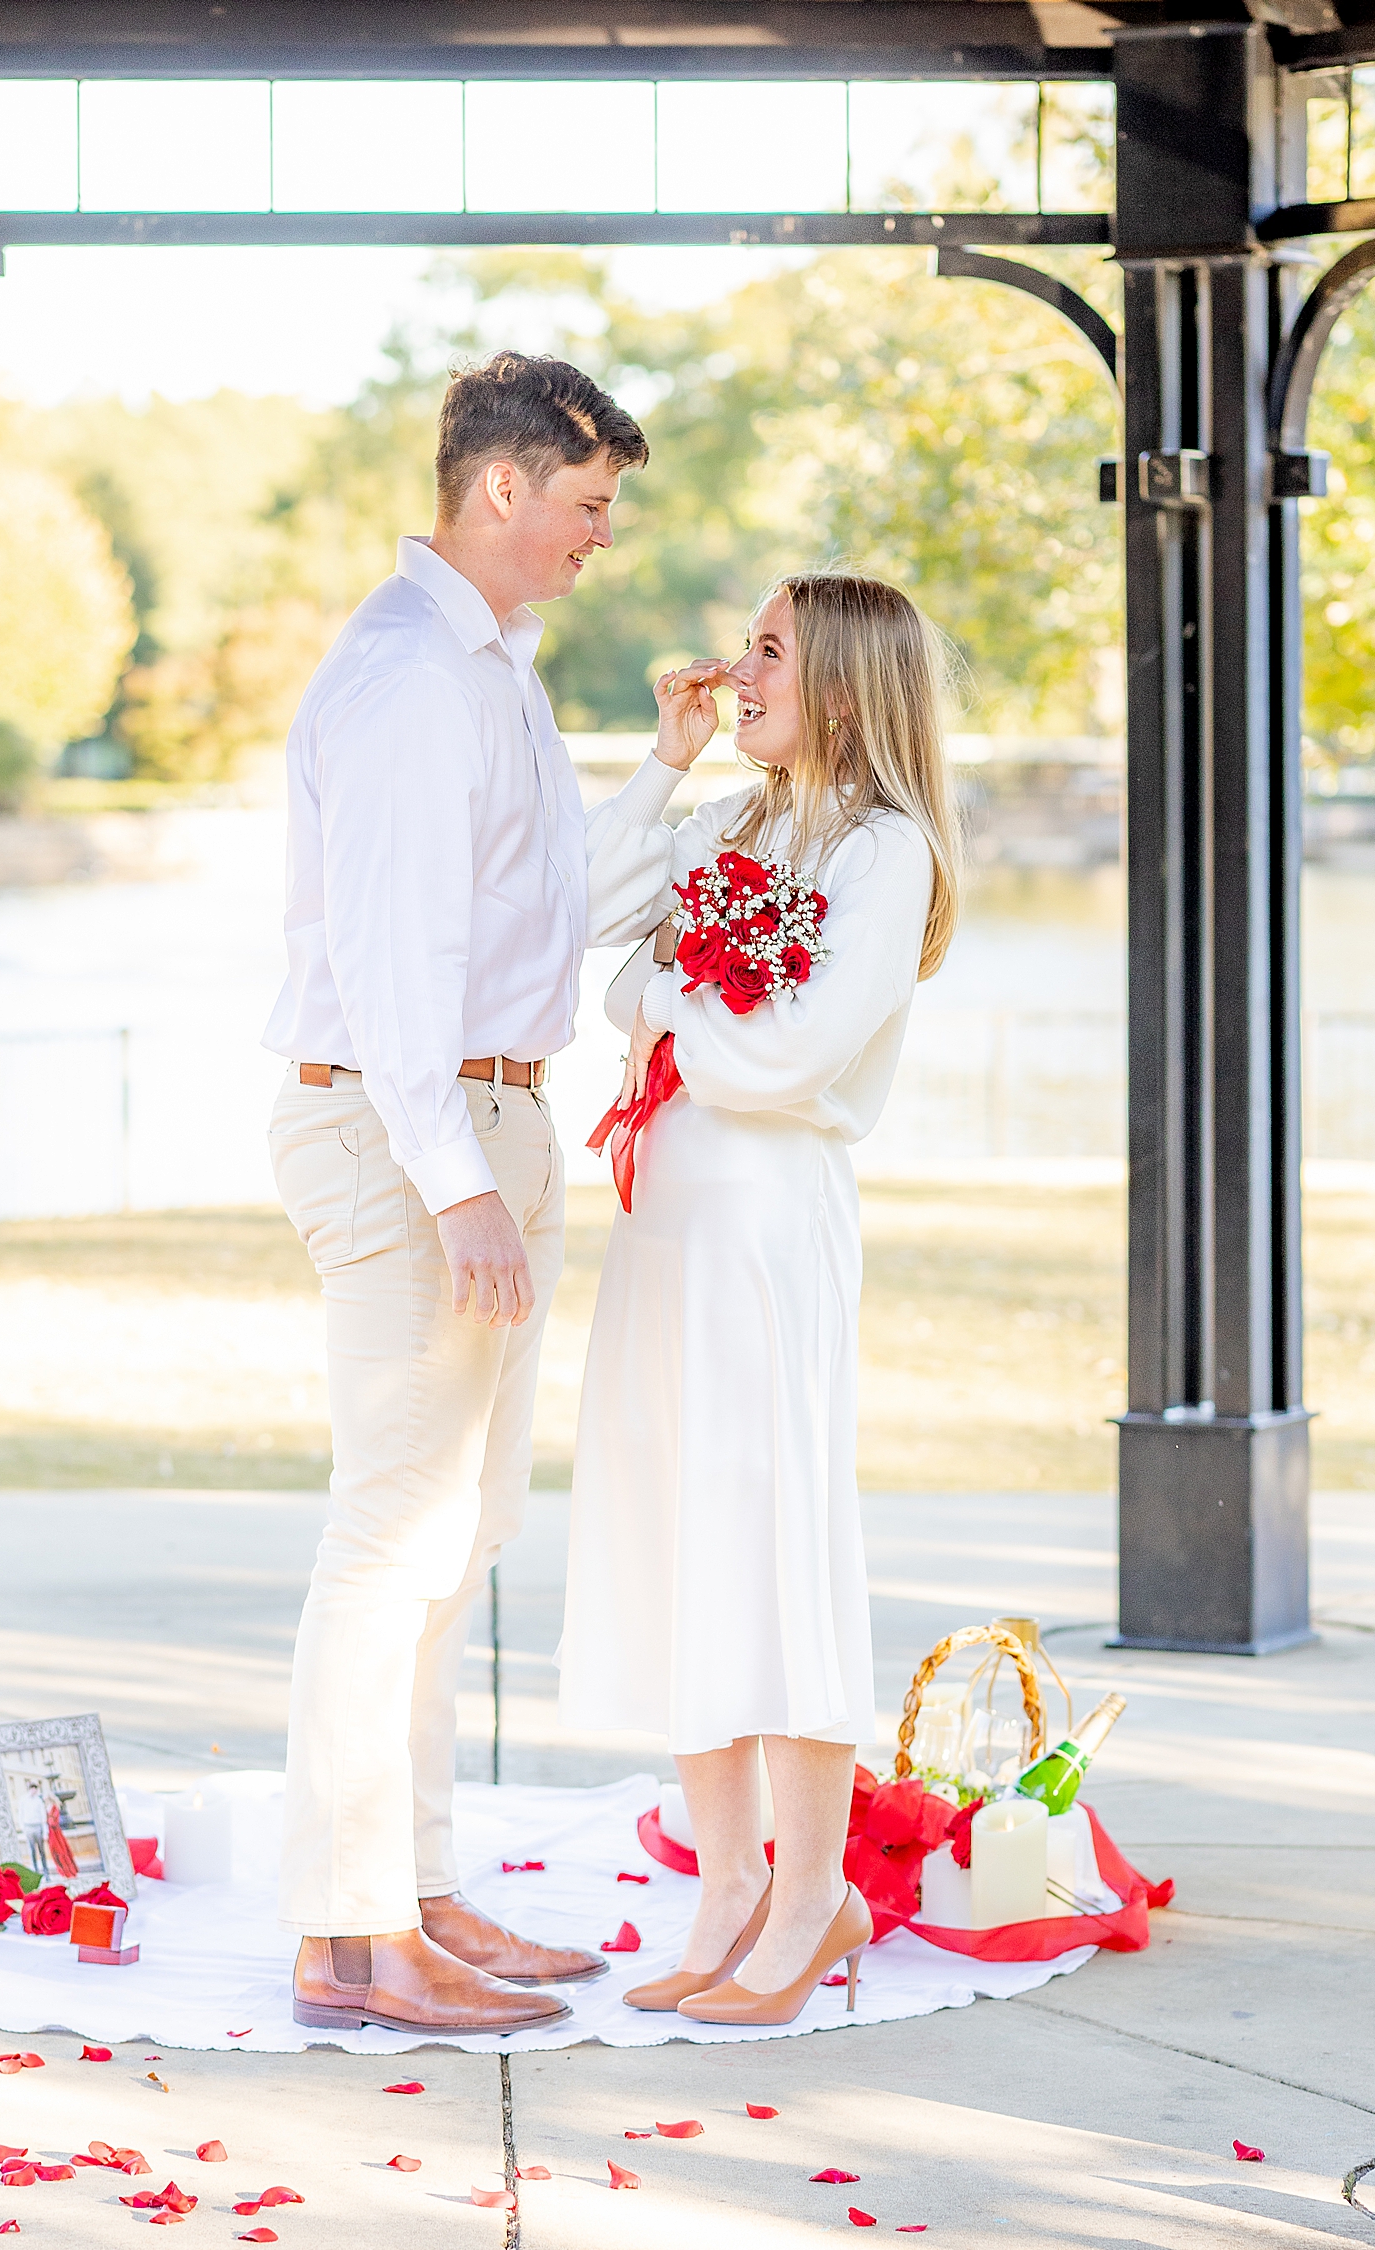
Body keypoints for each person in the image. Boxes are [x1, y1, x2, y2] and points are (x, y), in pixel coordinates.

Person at [263, 351, 649, 2036]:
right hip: (414, 1133)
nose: (598, 537)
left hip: (490, 1124)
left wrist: (670, 765)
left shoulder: (497, 668)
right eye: (584, 504)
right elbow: (393, 959)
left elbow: (535, 924)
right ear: (500, 487)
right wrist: (454, 1186)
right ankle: (347, 1936)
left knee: (454, 1536)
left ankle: (411, 1888)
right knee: (392, 1533)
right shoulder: (418, 674)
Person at [560, 571, 960, 2026]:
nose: (734, 667)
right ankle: (723, 1882)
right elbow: (590, 922)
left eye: (769, 649)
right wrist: (663, 760)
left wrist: (668, 1000)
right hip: (668, 1213)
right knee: (681, 1538)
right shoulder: (736, 819)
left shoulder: (884, 852)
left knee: (773, 1538)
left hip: (766, 1229)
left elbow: (786, 1059)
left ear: (843, 685)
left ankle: (812, 1893)